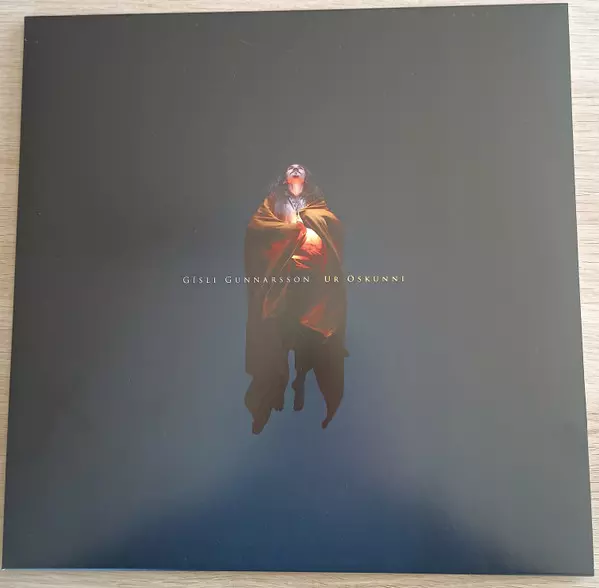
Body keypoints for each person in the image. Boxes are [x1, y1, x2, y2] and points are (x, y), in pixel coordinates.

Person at [244, 164, 348, 434]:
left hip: (313, 281)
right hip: (285, 279)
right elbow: (258, 229)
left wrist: (311, 225)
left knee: (312, 335)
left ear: (306, 177)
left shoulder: (316, 203)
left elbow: (332, 226)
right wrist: (292, 233)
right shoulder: (274, 202)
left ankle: (302, 380)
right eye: (291, 167)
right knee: (277, 334)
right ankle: (267, 402)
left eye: (300, 167)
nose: (295, 168)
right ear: (284, 177)